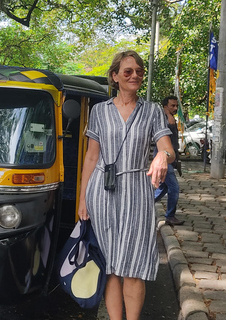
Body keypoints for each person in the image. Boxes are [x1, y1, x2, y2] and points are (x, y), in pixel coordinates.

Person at [77, 50, 176, 320]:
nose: (135, 75)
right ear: (115, 76)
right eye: (128, 71)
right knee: (110, 267)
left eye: (139, 71)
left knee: (133, 266)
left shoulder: (153, 110)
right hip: (102, 192)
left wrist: (161, 156)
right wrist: (83, 199)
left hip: (136, 193)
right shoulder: (99, 111)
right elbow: (91, 156)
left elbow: (168, 149)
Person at [154, 96, 185, 226]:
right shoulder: (163, 119)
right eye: (172, 106)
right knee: (174, 187)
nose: (175, 108)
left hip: (171, 158)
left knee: (163, 187)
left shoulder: (171, 119)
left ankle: (143, 205)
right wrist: (167, 116)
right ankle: (170, 216)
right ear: (165, 106)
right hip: (164, 158)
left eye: (176, 106)